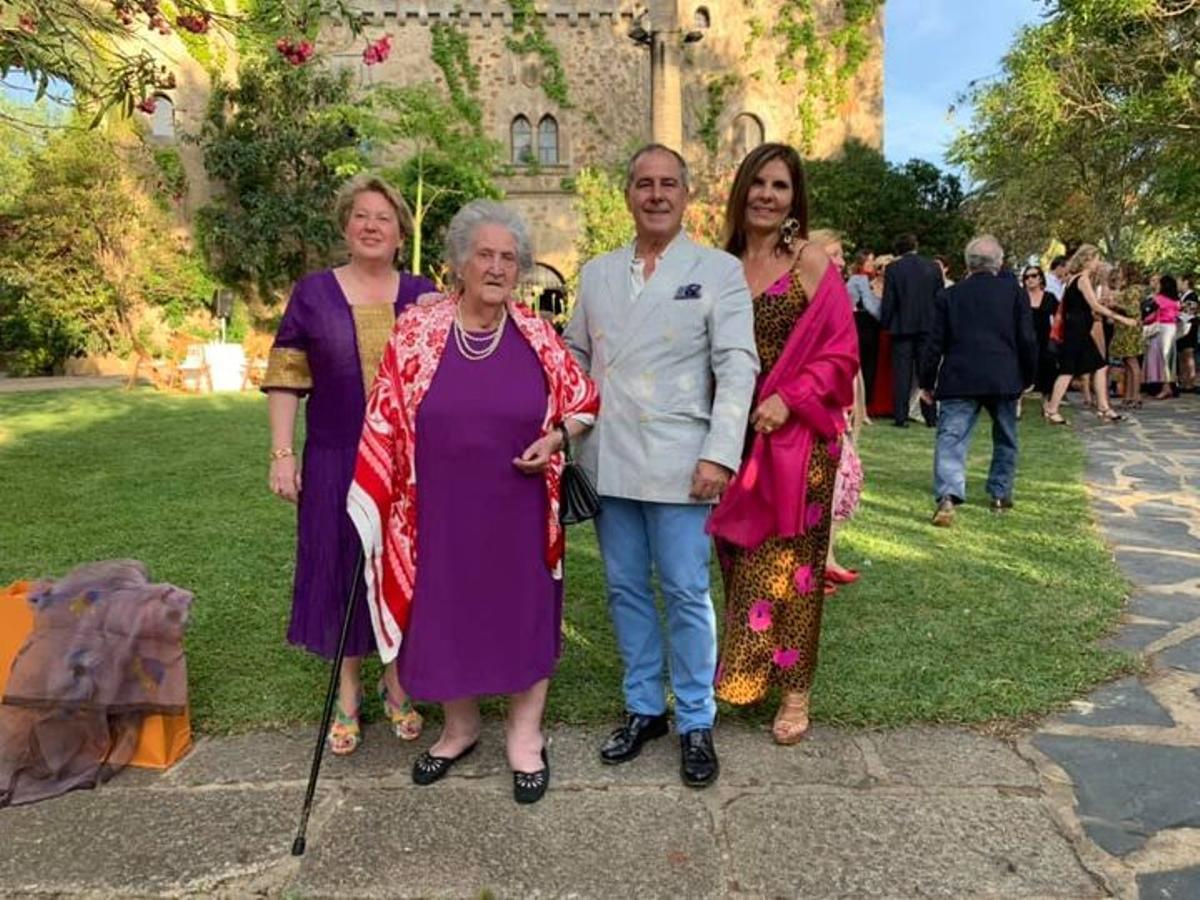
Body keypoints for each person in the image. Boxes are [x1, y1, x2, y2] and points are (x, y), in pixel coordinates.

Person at [348, 200, 599, 804]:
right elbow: (384, 407)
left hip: (519, 508)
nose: (496, 267)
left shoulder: (538, 335)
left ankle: (524, 736)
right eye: (484, 255)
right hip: (438, 508)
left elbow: (584, 403)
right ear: (460, 263)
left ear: (521, 269)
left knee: (522, 613)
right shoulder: (418, 329)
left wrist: (557, 437)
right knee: (446, 613)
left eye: (508, 258)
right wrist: (373, 489)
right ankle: (459, 729)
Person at [564, 144, 759, 788]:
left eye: (668, 184)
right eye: (643, 183)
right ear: (628, 194)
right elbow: (572, 358)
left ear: (686, 195)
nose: (655, 194)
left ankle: (696, 719)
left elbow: (738, 366)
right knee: (623, 589)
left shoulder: (717, 270)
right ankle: (645, 706)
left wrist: (719, 452)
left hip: (683, 460)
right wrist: (565, 429)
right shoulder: (595, 274)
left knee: (684, 591)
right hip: (610, 456)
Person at [263, 173, 434, 756]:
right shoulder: (312, 293)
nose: (371, 226)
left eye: (383, 218)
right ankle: (348, 691)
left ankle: (398, 682)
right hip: (335, 456)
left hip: (408, 465)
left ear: (399, 231)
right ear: (345, 226)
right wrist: (282, 454)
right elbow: (286, 378)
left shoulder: (422, 293)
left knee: (402, 571)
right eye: (361, 215)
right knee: (340, 567)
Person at [705, 142, 858, 744]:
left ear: (795, 199)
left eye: (781, 186)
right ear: (742, 190)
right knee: (738, 558)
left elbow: (842, 351)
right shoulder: (717, 266)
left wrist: (788, 398)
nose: (768, 195)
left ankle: (793, 694)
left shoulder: (810, 263)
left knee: (791, 570)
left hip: (798, 441)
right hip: (731, 437)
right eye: (759, 183)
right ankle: (749, 673)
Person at [920, 236, 1037, 526]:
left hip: (960, 375)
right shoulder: (1014, 293)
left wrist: (926, 380)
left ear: (968, 263)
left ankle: (948, 495)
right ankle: (1000, 493)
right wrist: (1029, 376)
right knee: (1006, 437)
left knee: (952, 437)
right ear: (999, 262)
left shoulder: (950, 295)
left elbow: (935, 343)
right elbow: (1027, 338)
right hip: (1004, 375)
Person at [808, 229, 866, 592]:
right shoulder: (807, 299)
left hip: (839, 400)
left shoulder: (836, 297)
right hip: (816, 404)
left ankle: (826, 558)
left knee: (844, 482)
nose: (842, 261)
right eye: (835, 253)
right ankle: (817, 563)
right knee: (826, 485)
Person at [1042, 245, 1136, 425]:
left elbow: (1081, 305)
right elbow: (1095, 306)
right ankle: (1053, 409)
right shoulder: (1083, 278)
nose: (1098, 263)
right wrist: (1122, 319)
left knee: (1099, 366)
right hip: (1076, 333)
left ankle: (1103, 407)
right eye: (1096, 259)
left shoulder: (1073, 279)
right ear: (1087, 260)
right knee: (1068, 371)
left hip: (1077, 331)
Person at [881, 233, 941, 427]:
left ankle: (900, 416)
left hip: (902, 327)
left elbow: (889, 300)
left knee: (902, 374)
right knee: (927, 373)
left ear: (898, 249)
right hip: (928, 326)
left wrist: (885, 322)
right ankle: (931, 416)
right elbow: (939, 297)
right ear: (916, 246)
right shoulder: (933, 267)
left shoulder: (893, 269)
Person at [1108, 263, 1146, 408]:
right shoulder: (1129, 289)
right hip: (1123, 328)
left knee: (1132, 362)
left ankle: (1136, 396)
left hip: (1130, 329)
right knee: (1127, 364)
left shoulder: (1133, 290)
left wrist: (1116, 306)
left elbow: (1133, 310)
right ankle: (1129, 396)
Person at [1021, 265, 1059, 397]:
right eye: (1026, 277)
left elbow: (1059, 317)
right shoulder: (1020, 297)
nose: (1030, 279)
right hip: (1024, 339)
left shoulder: (1049, 297)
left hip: (1044, 339)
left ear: (1041, 278)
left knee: (1048, 364)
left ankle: (1047, 398)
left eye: (1033, 276)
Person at [1144, 274, 1182, 400]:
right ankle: (1170, 385)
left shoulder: (1157, 299)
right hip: (1172, 328)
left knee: (1159, 358)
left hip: (1160, 329)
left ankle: (1165, 387)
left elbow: (1150, 315)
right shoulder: (1176, 301)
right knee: (1169, 358)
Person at [1174, 275, 1196, 393]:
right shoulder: (1181, 297)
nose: (1177, 285)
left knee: (1188, 353)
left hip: (1189, 328)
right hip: (1181, 329)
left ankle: (1190, 382)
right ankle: (1183, 381)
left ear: (1186, 282)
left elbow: (1189, 313)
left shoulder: (1192, 296)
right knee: (1182, 354)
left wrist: (1176, 314)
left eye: (1179, 282)